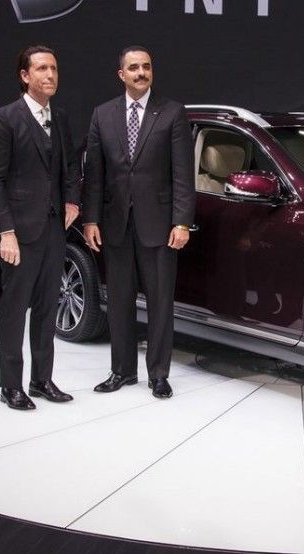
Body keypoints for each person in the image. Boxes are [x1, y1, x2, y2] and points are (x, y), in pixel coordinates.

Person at [83, 45, 195, 398]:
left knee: (160, 303)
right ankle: (122, 371)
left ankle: (158, 374)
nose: (141, 72)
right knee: (118, 302)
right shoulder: (102, 114)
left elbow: (183, 174)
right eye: (133, 67)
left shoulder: (173, 112)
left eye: (146, 66)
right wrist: (90, 219)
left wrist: (182, 222)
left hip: (159, 226)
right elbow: (95, 174)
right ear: (122, 74)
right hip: (115, 225)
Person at [0, 44, 80, 410]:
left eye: (53, 68)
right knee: (14, 309)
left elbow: (70, 166)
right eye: (41, 69)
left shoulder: (61, 117)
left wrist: (73, 201)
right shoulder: (3, 118)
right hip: (20, 231)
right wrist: (5, 231)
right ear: (25, 76)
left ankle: (41, 380)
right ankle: (11, 385)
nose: (50, 75)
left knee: (46, 307)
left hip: (54, 227)